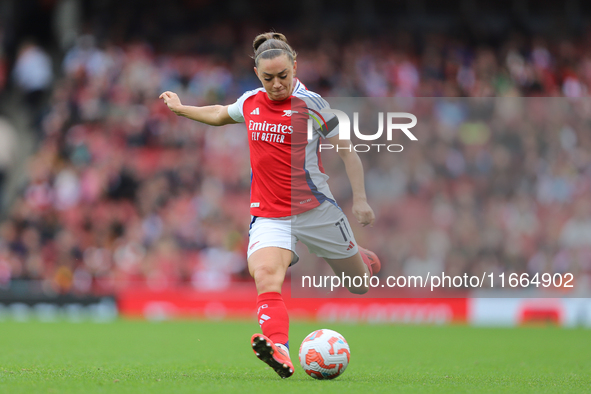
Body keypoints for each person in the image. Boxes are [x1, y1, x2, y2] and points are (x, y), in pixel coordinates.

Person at [160, 32, 380, 379]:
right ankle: (279, 348)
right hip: (269, 214)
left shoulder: (313, 104)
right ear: (256, 73)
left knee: (359, 283)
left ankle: (361, 257)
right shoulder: (250, 101)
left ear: (295, 67)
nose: (277, 84)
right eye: (268, 78)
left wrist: (361, 200)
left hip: (316, 211)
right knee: (265, 276)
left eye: (283, 76)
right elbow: (219, 113)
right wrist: (180, 107)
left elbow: (346, 149)